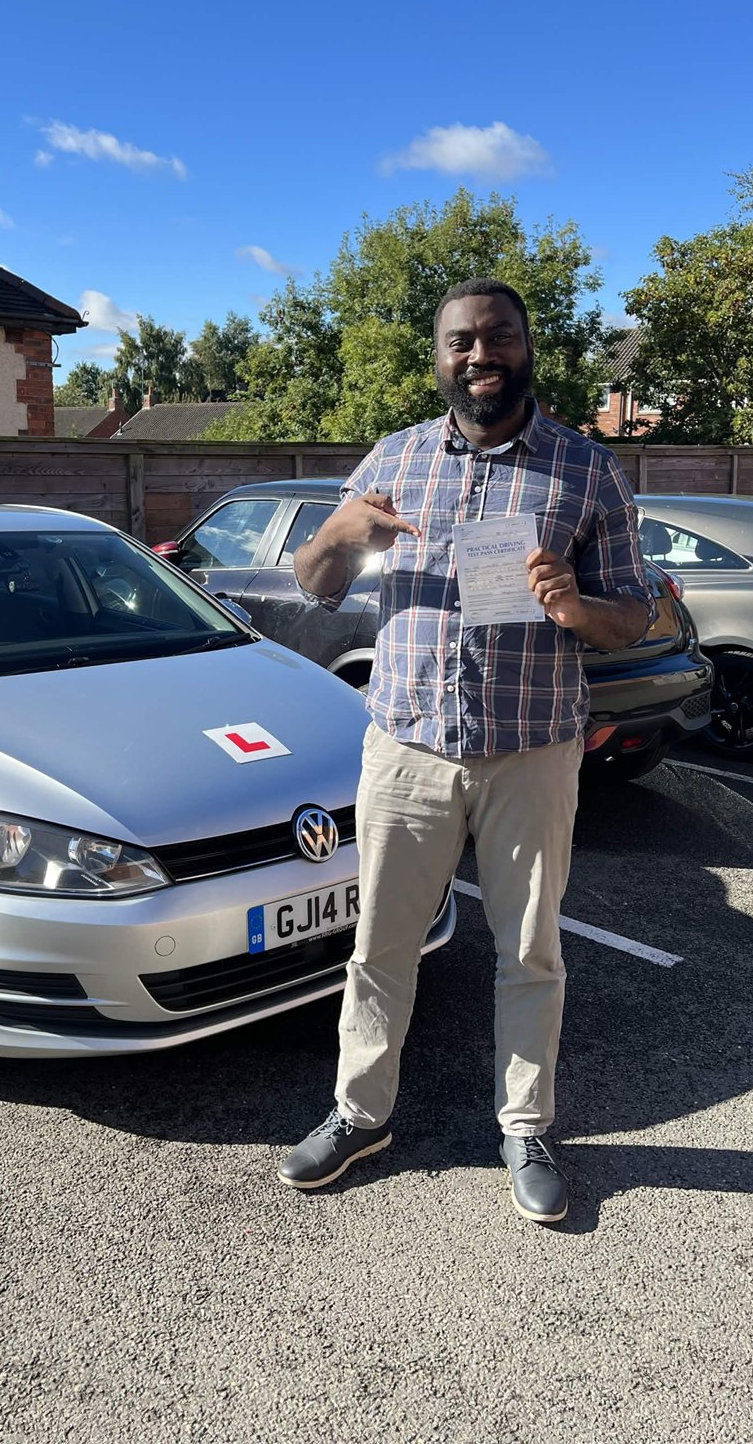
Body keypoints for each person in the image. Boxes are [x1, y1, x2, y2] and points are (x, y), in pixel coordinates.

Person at [277, 278, 655, 1223]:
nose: (480, 356)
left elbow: (634, 614)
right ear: (439, 356)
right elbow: (314, 582)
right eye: (461, 343)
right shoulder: (395, 459)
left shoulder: (586, 469)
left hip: (532, 750)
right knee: (379, 947)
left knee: (529, 949)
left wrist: (577, 607)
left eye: (499, 338)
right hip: (406, 749)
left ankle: (526, 1124)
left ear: (528, 347)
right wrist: (337, 531)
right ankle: (360, 1115)